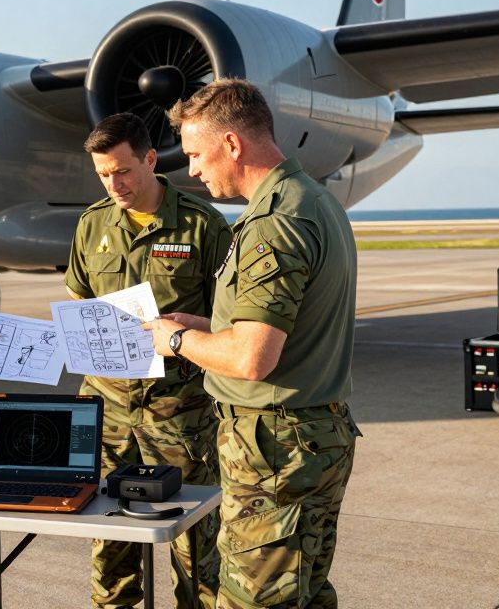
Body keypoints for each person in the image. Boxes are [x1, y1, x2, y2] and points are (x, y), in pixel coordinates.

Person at [143, 79, 360, 609]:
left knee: (253, 599)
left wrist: (175, 338)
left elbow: (250, 358)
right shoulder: (314, 201)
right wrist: (204, 324)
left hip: (275, 449)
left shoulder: (273, 224)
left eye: (196, 153)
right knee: (304, 594)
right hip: (312, 437)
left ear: (233, 145)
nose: (191, 169)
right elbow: (279, 326)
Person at [66, 113, 232, 609]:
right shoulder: (93, 223)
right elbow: (78, 298)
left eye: (123, 171)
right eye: (103, 175)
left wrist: (187, 327)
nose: (114, 184)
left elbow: (232, 320)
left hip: (178, 411)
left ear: (150, 160)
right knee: (108, 537)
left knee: (196, 545)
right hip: (107, 410)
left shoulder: (203, 225)